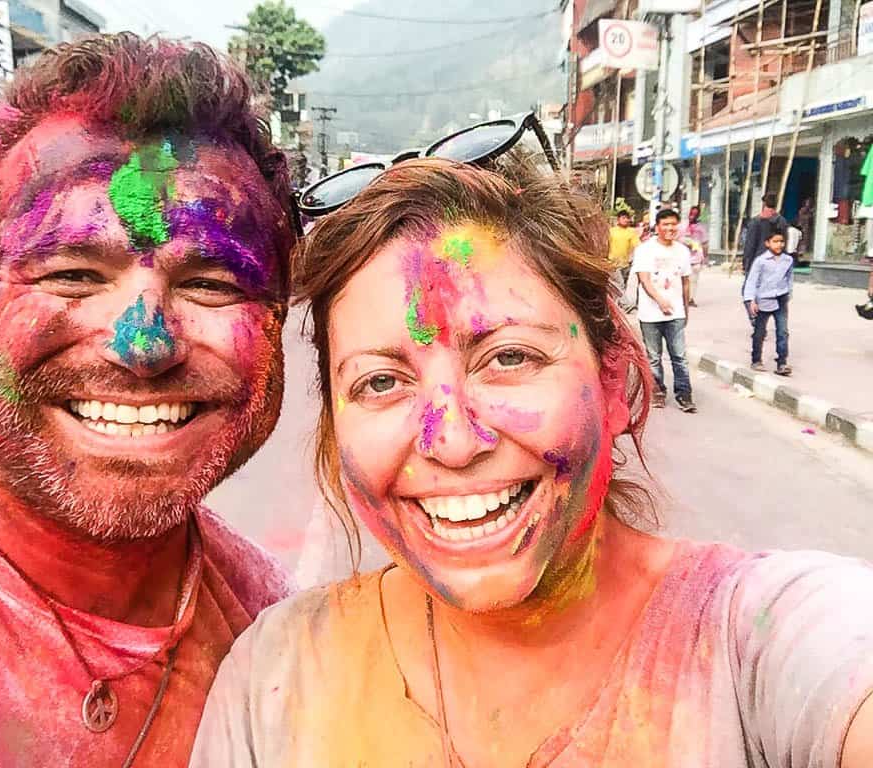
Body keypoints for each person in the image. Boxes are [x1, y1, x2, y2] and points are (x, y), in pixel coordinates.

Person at [190, 154, 873, 768]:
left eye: (509, 358)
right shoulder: (275, 680)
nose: (451, 441)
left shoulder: (757, 643)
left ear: (612, 380)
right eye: (381, 382)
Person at [0, 34, 297, 765]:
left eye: (211, 285)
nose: (144, 344)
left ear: (280, 314)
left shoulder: (280, 646)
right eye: (73, 274)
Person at [632, 208, 696, 412]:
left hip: (675, 312)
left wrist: (685, 308)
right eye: (665, 224)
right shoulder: (645, 250)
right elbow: (644, 279)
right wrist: (660, 300)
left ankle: (684, 394)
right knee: (654, 356)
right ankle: (657, 391)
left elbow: (686, 282)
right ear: (657, 227)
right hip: (650, 314)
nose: (670, 228)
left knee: (679, 355)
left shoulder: (682, 251)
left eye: (673, 224)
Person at [744, 228, 793, 375]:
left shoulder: (788, 260)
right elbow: (752, 281)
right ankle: (756, 359)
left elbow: (790, 278)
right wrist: (751, 300)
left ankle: (782, 363)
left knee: (783, 331)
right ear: (767, 243)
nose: (779, 245)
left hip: (781, 299)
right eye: (775, 242)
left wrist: (789, 293)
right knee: (760, 332)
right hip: (763, 299)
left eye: (781, 242)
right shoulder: (760, 261)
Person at [741, 193, 788, 318]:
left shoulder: (756, 221)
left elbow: (750, 246)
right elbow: (784, 244)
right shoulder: (782, 221)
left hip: (757, 261)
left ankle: (755, 318)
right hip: (776, 262)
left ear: (763, 203)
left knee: (748, 292)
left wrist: (745, 263)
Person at [679, 204, 708, 307]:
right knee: (682, 279)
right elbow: (676, 239)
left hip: (696, 257)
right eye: (691, 214)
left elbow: (704, 243)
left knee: (694, 279)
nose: (693, 216)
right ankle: (682, 298)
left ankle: (690, 299)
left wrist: (705, 256)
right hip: (682, 257)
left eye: (695, 214)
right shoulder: (682, 226)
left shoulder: (701, 228)